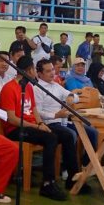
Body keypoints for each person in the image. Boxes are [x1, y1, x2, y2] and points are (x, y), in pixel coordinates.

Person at [0, 55, 68, 201]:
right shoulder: (9, 88)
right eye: (34, 70)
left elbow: (34, 110)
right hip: (15, 129)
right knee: (50, 138)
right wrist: (36, 126)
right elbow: (12, 119)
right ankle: (47, 183)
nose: (35, 73)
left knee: (63, 135)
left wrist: (41, 124)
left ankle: (62, 177)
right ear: (29, 70)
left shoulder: (28, 86)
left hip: (31, 126)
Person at [34, 59, 94, 193]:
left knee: (90, 132)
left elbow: (73, 96)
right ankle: (71, 175)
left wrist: (71, 97)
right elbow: (37, 112)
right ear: (39, 74)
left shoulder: (55, 85)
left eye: (52, 70)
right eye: (48, 71)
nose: (52, 73)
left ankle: (83, 168)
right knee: (70, 135)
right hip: (49, 123)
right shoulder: (37, 88)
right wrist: (55, 115)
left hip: (63, 120)